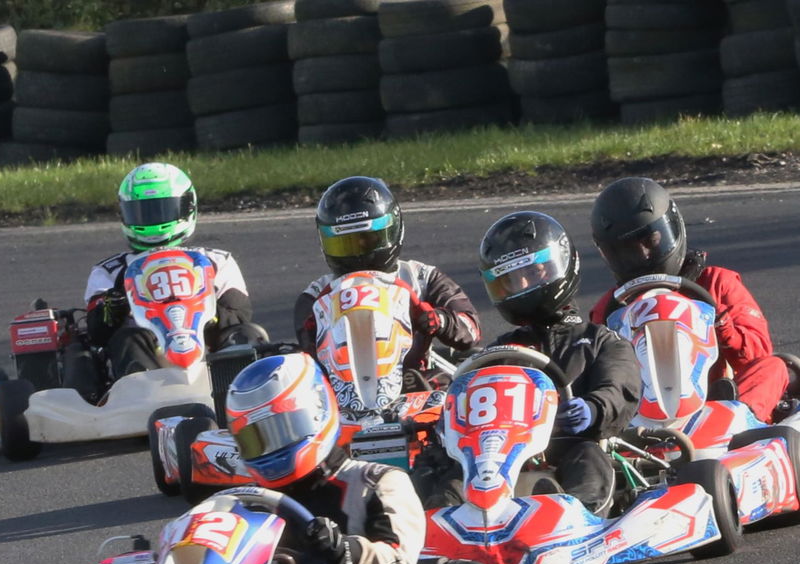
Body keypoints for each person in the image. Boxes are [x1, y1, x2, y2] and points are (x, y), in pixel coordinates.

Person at [224, 352, 425, 564]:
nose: (270, 448)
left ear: (316, 411)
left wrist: (346, 549)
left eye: (281, 430)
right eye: (256, 439)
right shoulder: (252, 500)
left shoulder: (376, 481)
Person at [589, 176, 791, 422]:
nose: (642, 255)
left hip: (714, 403)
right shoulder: (612, 306)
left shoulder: (716, 282)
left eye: (650, 241)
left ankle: (738, 421)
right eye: (627, 250)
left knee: (773, 367)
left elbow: (757, 351)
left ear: (671, 229)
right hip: (642, 411)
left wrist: (721, 326)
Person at [479, 211, 640, 514]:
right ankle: (438, 521)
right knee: (443, 468)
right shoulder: (499, 352)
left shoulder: (600, 340)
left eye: (533, 272)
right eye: (511, 280)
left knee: (586, 457)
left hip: (573, 445)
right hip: (502, 459)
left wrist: (594, 408)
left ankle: (574, 517)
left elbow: (620, 386)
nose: (523, 284)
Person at [293, 176, 479, 382]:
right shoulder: (316, 295)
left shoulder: (421, 278)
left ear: (393, 229)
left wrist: (438, 320)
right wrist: (316, 330)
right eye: (346, 244)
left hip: (414, 386)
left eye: (368, 241)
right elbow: (306, 349)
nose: (358, 253)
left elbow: (470, 329)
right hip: (340, 393)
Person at [84, 162, 257, 379]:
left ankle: (244, 392)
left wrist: (201, 308)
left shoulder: (216, 261)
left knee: (247, 334)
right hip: (149, 352)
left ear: (187, 207)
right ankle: (144, 401)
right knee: (128, 338)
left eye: (162, 209)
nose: (154, 221)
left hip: (207, 350)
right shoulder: (110, 271)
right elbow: (97, 332)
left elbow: (240, 316)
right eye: (143, 212)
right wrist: (112, 310)